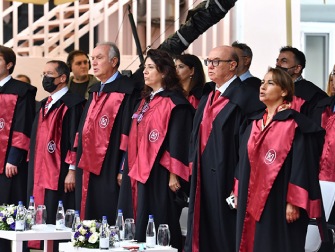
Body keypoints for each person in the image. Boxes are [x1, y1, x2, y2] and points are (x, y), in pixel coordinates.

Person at [184, 45, 264, 252]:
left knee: (223, 230)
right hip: (203, 175)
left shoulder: (246, 99)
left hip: (227, 176)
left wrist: (238, 183)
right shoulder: (208, 96)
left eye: (216, 61)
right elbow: (195, 135)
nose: (210, 66)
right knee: (202, 226)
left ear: (233, 65)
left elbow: (249, 147)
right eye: (208, 61)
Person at [235, 67, 325, 252]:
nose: (263, 87)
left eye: (270, 83)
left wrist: (294, 202)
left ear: (284, 91)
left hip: (280, 198)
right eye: (262, 82)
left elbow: (303, 166)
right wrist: (237, 190)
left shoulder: (295, 124)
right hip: (250, 196)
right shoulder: (254, 123)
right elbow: (242, 161)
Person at [117, 49, 194, 251]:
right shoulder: (144, 101)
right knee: (134, 217)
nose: (145, 72)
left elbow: (178, 141)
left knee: (156, 217)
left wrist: (174, 174)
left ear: (164, 72)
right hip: (135, 171)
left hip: (159, 173)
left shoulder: (176, 103)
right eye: (145, 68)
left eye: (150, 67)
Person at [75, 42, 141, 222]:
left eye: (99, 58)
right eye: (92, 59)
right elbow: (82, 130)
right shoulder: (94, 91)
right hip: (86, 164)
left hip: (111, 165)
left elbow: (130, 134)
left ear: (114, 61)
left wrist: (122, 168)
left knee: (107, 212)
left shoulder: (129, 91)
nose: (93, 63)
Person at [26, 60, 85, 249]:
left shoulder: (74, 104)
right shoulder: (43, 104)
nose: (45, 78)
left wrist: (72, 169)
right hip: (38, 171)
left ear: (62, 78)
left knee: (56, 213)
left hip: (60, 172)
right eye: (43, 74)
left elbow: (76, 138)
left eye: (49, 74)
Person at [0, 45, 36, 250]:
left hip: (8, 163)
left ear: (10, 64)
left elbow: (23, 127)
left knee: (8, 210)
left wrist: (14, 158)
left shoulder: (22, 91)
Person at [276, 46, 327, 118]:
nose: (277, 64)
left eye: (284, 61)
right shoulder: (274, 90)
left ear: (297, 68)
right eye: (277, 60)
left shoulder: (313, 95)